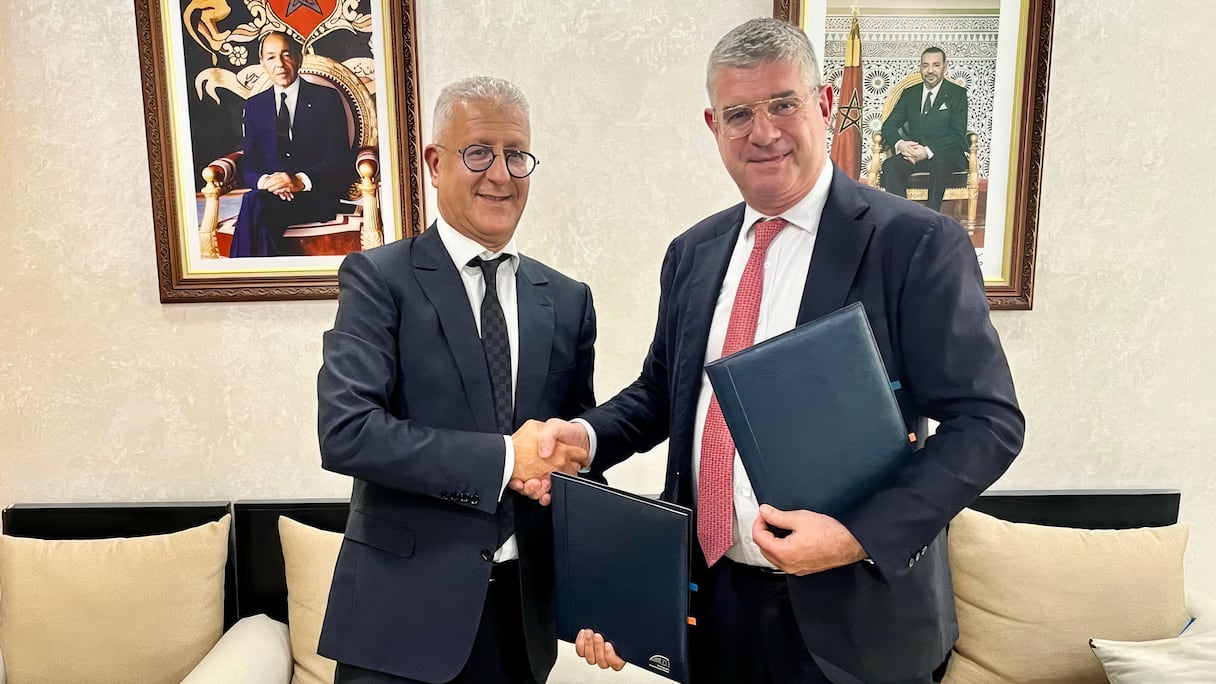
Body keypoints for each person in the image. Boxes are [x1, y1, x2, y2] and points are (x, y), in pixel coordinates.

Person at [526, 18, 1023, 684]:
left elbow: (988, 424)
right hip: (712, 612)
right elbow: (663, 392)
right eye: (739, 114)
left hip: (857, 626)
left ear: (824, 104)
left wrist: (855, 537)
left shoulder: (913, 243)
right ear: (714, 126)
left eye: (783, 104)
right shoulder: (692, 253)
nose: (762, 132)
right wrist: (585, 437)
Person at [316, 76, 597, 683]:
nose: (500, 173)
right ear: (435, 164)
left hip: (521, 628)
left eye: (516, 155)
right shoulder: (378, 279)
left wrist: (611, 595)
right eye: (478, 153)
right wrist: (506, 459)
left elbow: (571, 460)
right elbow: (347, 433)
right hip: (398, 628)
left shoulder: (567, 299)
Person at [229, 31, 352, 257]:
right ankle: (265, 277)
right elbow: (250, 162)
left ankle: (241, 276)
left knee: (253, 204)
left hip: (314, 195)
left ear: (298, 58)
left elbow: (339, 158)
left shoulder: (326, 99)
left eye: (286, 55)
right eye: (271, 57)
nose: (280, 64)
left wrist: (299, 181)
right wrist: (268, 183)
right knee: (259, 208)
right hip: (270, 195)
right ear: (263, 63)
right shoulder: (255, 105)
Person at [878, 47, 969, 212]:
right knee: (890, 165)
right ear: (920, 67)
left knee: (939, 162)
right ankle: (902, 216)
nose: (930, 70)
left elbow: (957, 135)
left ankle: (931, 217)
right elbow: (889, 125)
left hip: (946, 155)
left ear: (945, 67)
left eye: (936, 65)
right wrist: (901, 145)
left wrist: (927, 151)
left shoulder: (957, 94)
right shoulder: (910, 94)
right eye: (925, 65)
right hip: (915, 155)